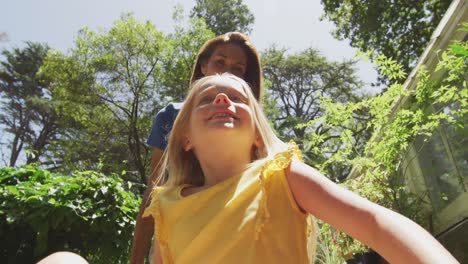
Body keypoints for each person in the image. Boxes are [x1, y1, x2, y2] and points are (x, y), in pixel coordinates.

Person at [142, 73, 459, 263]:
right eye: (207, 99)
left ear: (256, 133)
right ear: (185, 139)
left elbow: (376, 224)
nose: (223, 98)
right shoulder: (168, 208)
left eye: (238, 98)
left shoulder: (282, 175)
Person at [130, 32, 263, 264]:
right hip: (180, 230)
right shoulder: (171, 115)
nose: (226, 72)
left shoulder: (248, 121)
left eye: (238, 68)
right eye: (219, 62)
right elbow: (155, 187)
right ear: (203, 66)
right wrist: (136, 260)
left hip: (237, 229)